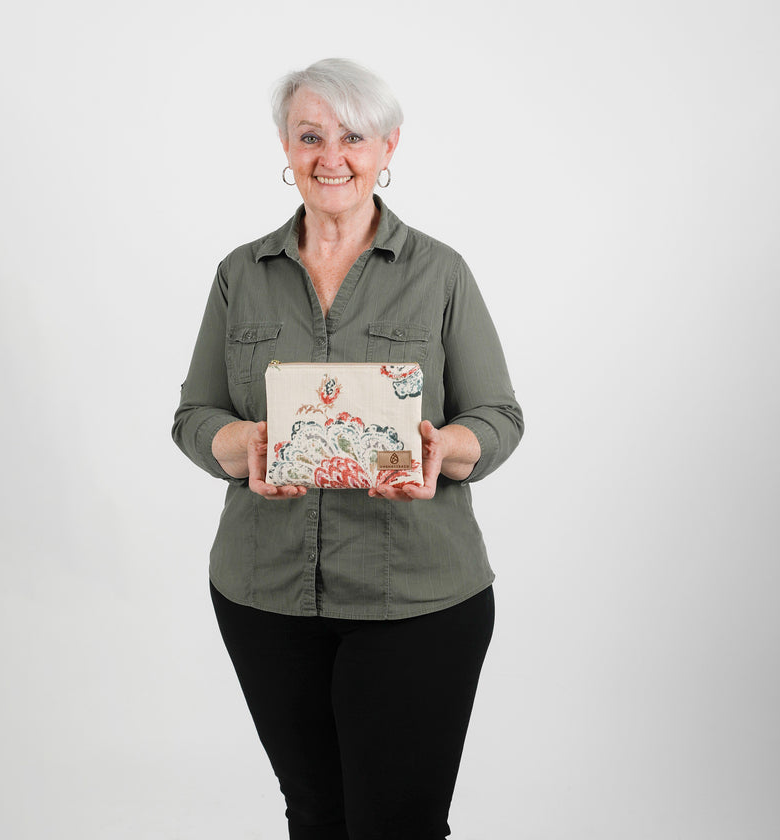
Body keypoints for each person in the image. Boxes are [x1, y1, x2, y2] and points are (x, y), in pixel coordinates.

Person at [172, 58, 523, 840]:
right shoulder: (241, 275)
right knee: (318, 816)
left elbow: (498, 414)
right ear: (286, 147)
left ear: (388, 147)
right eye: (310, 135)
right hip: (264, 597)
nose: (332, 156)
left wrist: (445, 448)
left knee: (395, 825)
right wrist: (240, 443)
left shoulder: (440, 273)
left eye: (353, 136)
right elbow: (195, 413)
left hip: (417, 602)